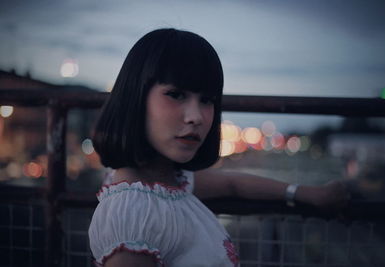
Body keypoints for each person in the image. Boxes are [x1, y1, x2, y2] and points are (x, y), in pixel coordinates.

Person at [88, 28, 349, 267]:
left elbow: (233, 184)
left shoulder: (166, 184)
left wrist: (303, 193)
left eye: (207, 100)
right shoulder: (134, 215)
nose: (197, 117)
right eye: (176, 94)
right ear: (136, 98)